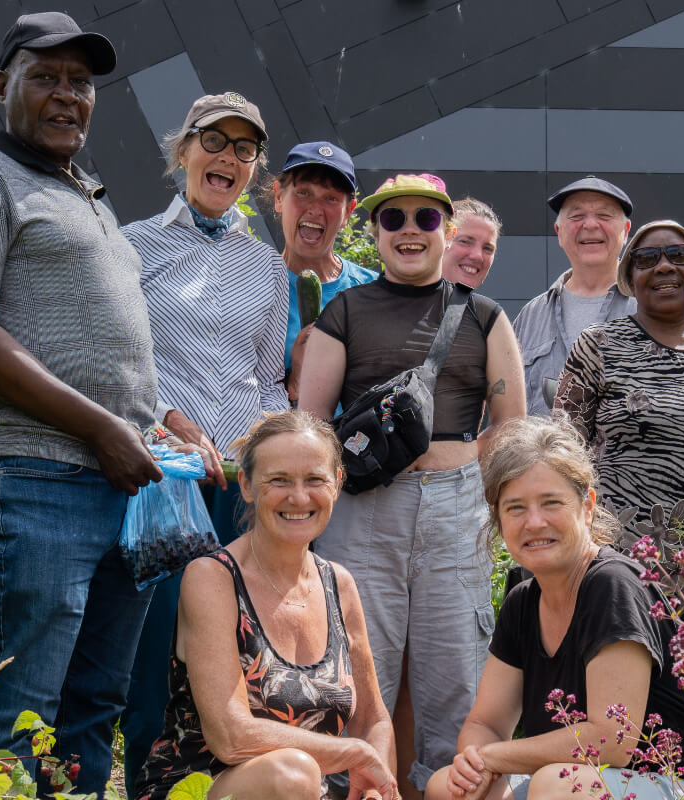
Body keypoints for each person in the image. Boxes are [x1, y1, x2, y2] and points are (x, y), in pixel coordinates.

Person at [0, 12, 154, 796]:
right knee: (18, 711)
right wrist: (101, 427)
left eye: (81, 82)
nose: (68, 95)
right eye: (46, 77)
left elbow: (107, 353)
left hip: (119, 492)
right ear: (3, 86)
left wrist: (161, 425)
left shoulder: (89, 196)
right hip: (36, 483)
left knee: (94, 708)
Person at [296, 173, 527, 794]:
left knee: (457, 677)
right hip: (362, 511)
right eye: (393, 219)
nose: (409, 231)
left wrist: (461, 483)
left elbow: (511, 429)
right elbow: (312, 428)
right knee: (354, 678)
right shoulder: (343, 311)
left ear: (445, 232)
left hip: (457, 511)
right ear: (375, 231)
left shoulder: (483, 315)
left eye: (426, 220)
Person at [426, 417, 684, 800]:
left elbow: (611, 741)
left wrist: (496, 756)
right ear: (498, 519)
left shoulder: (612, 584)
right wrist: (478, 763)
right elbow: (486, 723)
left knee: (558, 786)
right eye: (515, 508)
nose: (534, 522)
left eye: (551, 503)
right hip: (611, 787)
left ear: (588, 507)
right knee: (446, 788)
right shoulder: (522, 603)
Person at [119, 91, 289, 792]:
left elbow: (270, 379)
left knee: (242, 654)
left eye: (243, 149)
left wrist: (267, 439)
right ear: (182, 151)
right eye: (213, 141)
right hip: (168, 483)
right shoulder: (131, 246)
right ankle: (144, 784)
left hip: (240, 493)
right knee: (157, 649)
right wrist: (168, 416)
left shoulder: (268, 266)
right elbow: (117, 360)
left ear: (253, 170)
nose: (227, 157)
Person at [132, 411, 399, 800]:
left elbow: (372, 719)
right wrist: (355, 755)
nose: (299, 497)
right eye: (279, 480)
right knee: (292, 774)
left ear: (337, 484)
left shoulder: (339, 584)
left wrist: (377, 782)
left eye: (315, 480)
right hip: (197, 787)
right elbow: (231, 737)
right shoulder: (212, 577)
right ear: (246, 485)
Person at [555, 220, 684, 572]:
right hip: (621, 572)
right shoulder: (599, 345)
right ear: (631, 279)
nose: (665, 266)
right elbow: (561, 463)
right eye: (647, 258)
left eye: (680, 255)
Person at [511, 177, 635, 415]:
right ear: (559, 232)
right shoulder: (530, 316)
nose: (590, 225)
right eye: (577, 216)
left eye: (604, 215)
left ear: (626, 231)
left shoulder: (649, 310)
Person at [272, 141, 377, 404]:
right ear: (278, 197)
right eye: (304, 192)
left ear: (347, 212)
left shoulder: (375, 292)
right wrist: (295, 377)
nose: (315, 209)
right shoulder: (250, 286)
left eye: (331, 198)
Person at [442, 197, 501, 289]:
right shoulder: (412, 302)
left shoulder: (486, 304)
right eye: (464, 242)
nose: (477, 256)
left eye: (487, 248)